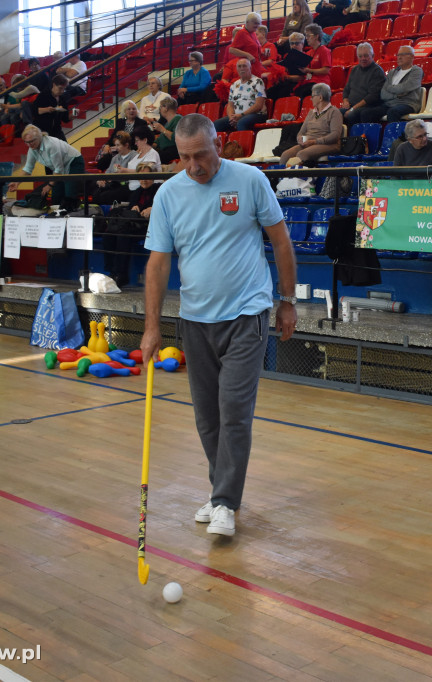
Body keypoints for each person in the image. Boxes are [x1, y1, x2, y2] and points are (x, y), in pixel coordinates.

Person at [141, 114, 297, 537]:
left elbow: (281, 240)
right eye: (185, 157)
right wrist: (152, 326)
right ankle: (219, 493)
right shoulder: (170, 194)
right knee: (207, 419)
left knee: (234, 412)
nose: (195, 165)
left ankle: (226, 500)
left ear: (219, 144)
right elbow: (157, 263)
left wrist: (286, 302)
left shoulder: (250, 180)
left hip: (247, 315)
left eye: (202, 155)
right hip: (196, 320)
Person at [104, 163, 159, 287]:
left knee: (123, 234)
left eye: (147, 176)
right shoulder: (136, 192)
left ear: (154, 176)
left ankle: (122, 274)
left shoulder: (159, 189)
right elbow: (129, 210)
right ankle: (112, 271)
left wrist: (154, 208)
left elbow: (167, 207)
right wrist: (132, 209)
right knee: (108, 233)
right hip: (134, 225)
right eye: (141, 177)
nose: (144, 180)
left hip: (149, 227)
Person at [8, 125, 85, 211]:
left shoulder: (51, 145)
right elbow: (27, 168)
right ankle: (57, 218)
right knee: (56, 196)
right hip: (58, 169)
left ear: (39, 137)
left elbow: (58, 170)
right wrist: (17, 183)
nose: (29, 144)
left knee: (69, 194)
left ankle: (72, 216)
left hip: (74, 162)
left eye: (32, 141)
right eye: (26, 142)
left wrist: (49, 185)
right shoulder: (32, 149)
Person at [279, 83, 343, 166]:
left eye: (312, 96)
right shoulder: (311, 113)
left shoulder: (334, 112)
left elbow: (335, 135)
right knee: (285, 155)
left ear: (320, 97)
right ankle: (282, 178)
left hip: (328, 144)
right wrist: (300, 139)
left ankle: (300, 178)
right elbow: (301, 132)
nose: (311, 99)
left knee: (302, 154)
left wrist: (314, 141)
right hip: (309, 143)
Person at [214, 59, 268, 132]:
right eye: (239, 66)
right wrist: (231, 118)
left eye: (244, 66)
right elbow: (230, 105)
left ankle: (242, 143)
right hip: (237, 116)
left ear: (250, 68)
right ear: (237, 69)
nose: (242, 68)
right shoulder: (234, 85)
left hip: (256, 114)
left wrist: (241, 115)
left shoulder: (257, 82)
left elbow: (258, 105)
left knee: (241, 122)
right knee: (216, 124)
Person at [96, 99, 149, 172]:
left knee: (111, 159)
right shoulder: (120, 122)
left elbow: (143, 139)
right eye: (129, 109)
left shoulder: (141, 123)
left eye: (134, 109)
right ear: (124, 111)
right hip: (118, 149)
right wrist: (108, 144)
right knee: (103, 160)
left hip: (132, 149)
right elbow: (113, 137)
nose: (131, 111)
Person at [340, 43, 386, 125]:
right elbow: (346, 90)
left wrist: (353, 108)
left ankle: (355, 137)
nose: (363, 58)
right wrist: (345, 101)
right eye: (360, 56)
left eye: (366, 56)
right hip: (352, 106)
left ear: (373, 56)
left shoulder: (377, 71)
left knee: (352, 114)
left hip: (368, 106)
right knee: (335, 113)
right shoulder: (354, 70)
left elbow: (372, 96)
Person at [377, 46, 425, 122]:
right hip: (390, 104)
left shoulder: (417, 71)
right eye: (398, 55)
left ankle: (396, 134)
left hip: (408, 104)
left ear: (412, 57)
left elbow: (405, 87)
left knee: (393, 112)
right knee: (368, 112)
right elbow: (383, 93)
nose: (399, 57)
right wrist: (396, 95)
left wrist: (390, 88)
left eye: (403, 54)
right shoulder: (392, 72)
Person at [93, 132, 137, 205]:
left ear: (126, 145)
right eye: (115, 145)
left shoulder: (134, 156)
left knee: (105, 196)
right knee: (96, 193)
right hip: (113, 185)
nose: (116, 148)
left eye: (118, 145)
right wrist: (102, 181)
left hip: (125, 186)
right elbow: (108, 173)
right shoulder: (115, 158)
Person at [294, 24, 332, 99]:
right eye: (306, 36)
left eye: (308, 35)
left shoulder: (324, 50)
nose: (306, 38)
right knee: (296, 91)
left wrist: (309, 70)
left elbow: (326, 70)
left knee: (303, 92)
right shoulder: (308, 53)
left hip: (320, 82)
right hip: (309, 81)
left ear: (316, 36)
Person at [267, 32, 308, 100]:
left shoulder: (305, 58)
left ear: (302, 44)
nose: (294, 45)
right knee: (269, 92)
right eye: (292, 43)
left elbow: (302, 78)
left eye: (296, 43)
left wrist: (286, 77)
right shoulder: (287, 57)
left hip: (298, 84)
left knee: (282, 92)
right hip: (287, 82)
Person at [32, 74, 71, 140]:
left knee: (65, 148)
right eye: (60, 88)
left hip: (57, 130)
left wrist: (73, 115)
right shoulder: (44, 95)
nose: (62, 91)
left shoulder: (62, 99)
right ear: (54, 85)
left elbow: (65, 119)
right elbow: (34, 111)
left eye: (64, 89)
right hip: (43, 129)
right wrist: (47, 109)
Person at [229, 13, 265, 78]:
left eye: (258, 23)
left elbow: (254, 50)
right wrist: (247, 55)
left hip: (256, 66)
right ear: (247, 22)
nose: (257, 25)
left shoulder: (253, 33)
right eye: (255, 23)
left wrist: (262, 53)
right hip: (248, 68)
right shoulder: (241, 33)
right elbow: (232, 50)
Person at [150, 96, 183, 164]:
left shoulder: (178, 119)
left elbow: (176, 138)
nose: (160, 110)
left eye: (161, 107)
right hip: (165, 152)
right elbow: (158, 142)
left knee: (154, 159)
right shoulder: (166, 123)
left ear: (166, 108)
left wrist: (162, 129)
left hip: (174, 150)